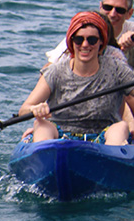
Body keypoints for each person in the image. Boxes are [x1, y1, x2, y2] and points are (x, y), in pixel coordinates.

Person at [21, 11, 134, 145]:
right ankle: (45, 155)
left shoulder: (117, 69)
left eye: (92, 40)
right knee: (41, 125)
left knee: (121, 127)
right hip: (60, 134)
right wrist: (34, 109)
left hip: (104, 135)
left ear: (101, 43)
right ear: (71, 42)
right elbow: (23, 110)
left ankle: (112, 159)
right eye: (79, 39)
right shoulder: (55, 72)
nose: (85, 45)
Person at [45, 0, 134, 68]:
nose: (112, 14)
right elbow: (49, 67)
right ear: (100, 6)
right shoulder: (83, 30)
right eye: (107, 7)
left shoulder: (131, 30)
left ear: (129, 14)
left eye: (120, 10)